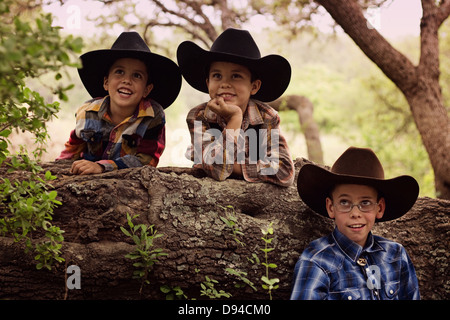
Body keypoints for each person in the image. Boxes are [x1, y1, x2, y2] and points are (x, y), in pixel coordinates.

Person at [291, 146, 420, 300]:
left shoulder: (396, 255)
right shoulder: (317, 261)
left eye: (365, 202)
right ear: (331, 207)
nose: (355, 213)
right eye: (344, 202)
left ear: (380, 208)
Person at [177, 28, 295, 186]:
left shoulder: (267, 117)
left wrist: (235, 167)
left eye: (236, 76)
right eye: (217, 76)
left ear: (254, 86)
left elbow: (284, 171)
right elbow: (219, 170)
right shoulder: (198, 116)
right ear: (208, 83)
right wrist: (235, 119)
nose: (225, 83)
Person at [57, 32, 181, 174]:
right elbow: (72, 150)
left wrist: (102, 166)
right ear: (106, 82)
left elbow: (146, 160)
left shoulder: (153, 117)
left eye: (137, 75)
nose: (126, 80)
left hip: (128, 183)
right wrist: (59, 170)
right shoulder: (87, 112)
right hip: (86, 178)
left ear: (146, 89)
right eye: (119, 72)